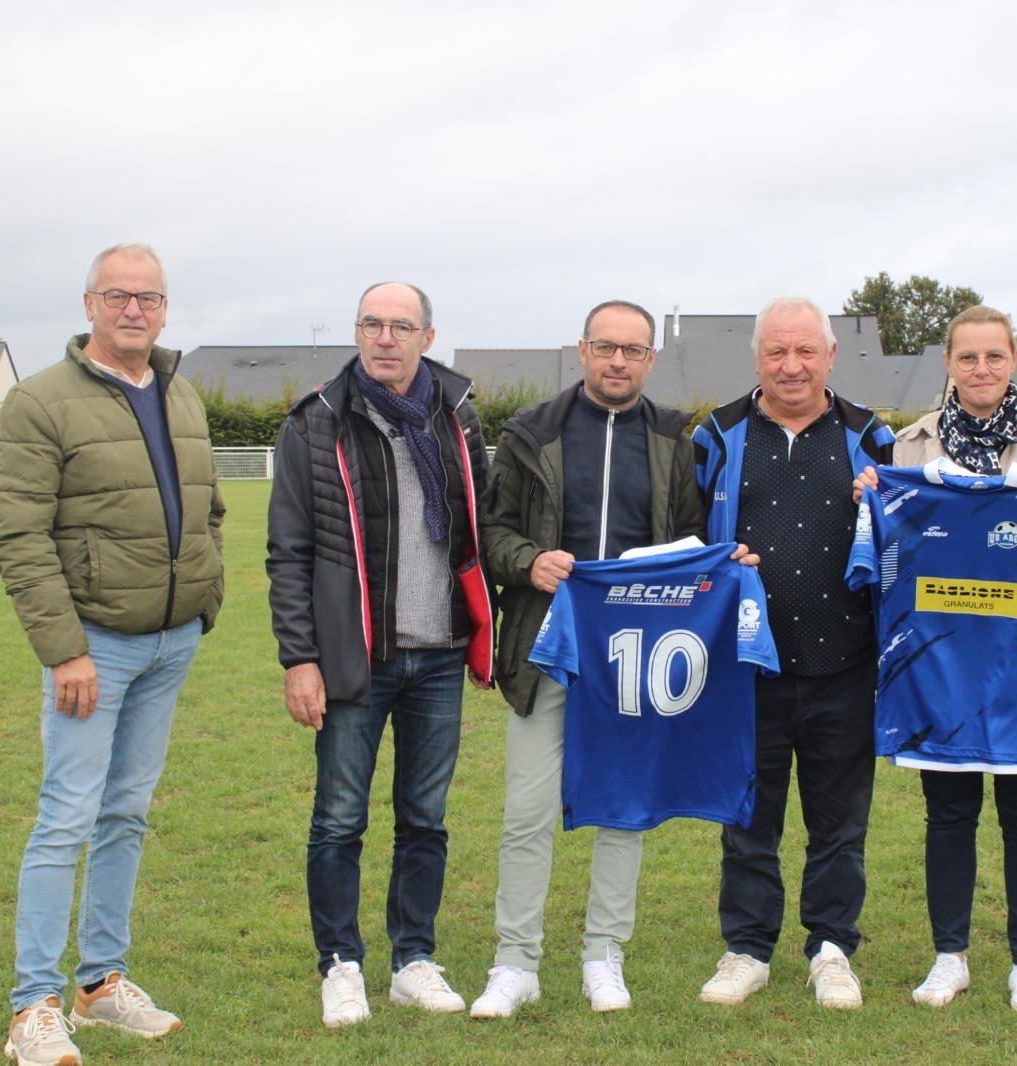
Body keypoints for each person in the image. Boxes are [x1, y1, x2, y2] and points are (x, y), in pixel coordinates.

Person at [0, 242, 225, 1065]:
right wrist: (65, 651)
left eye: (150, 297)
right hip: (93, 648)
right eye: (119, 295)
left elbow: (208, 508)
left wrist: (205, 598)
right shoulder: (40, 400)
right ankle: (33, 1007)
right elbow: (18, 537)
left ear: (165, 308)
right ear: (90, 303)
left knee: (126, 812)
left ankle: (99, 983)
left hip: (170, 642)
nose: (135, 309)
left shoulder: (179, 391)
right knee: (67, 817)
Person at [853, 305, 1017, 1013]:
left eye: (993, 357)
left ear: (1015, 359)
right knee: (949, 811)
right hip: (939, 663)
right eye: (967, 358)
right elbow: (884, 548)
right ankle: (950, 957)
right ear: (948, 362)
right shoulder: (906, 447)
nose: (980, 370)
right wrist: (872, 502)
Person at [469, 300, 715, 1018]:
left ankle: (605, 953)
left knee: (623, 811)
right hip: (547, 648)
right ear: (582, 350)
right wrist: (528, 560)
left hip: (636, 655)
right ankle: (516, 961)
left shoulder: (676, 438)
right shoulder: (529, 432)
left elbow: (693, 536)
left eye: (632, 350)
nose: (617, 361)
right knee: (527, 812)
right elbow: (492, 530)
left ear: (650, 360)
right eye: (605, 347)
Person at [266, 282, 492, 1028]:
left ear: (428, 336)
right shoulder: (318, 422)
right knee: (338, 819)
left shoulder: (457, 417)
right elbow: (290, 551)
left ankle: (414, 959)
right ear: (356, 332)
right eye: (372, 323)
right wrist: (300, 657)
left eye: (401, 325)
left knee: (425, 819)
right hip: (354, 659)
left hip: (438, 657)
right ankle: (340, 962)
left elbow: (481, 528)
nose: (385, 337)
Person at [693, 297, 895, 1010]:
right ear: (757, 358)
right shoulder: (716, 435)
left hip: (846, 661)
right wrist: (720, 561)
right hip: (749, 667)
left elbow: (905, 540)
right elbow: (685, 545)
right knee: (748, 816)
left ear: (831, 356)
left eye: (806, 351)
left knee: (839, 820)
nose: (791, 365)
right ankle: (747, 948)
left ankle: (832, 947)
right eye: (777, 351)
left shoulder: (873, 436)